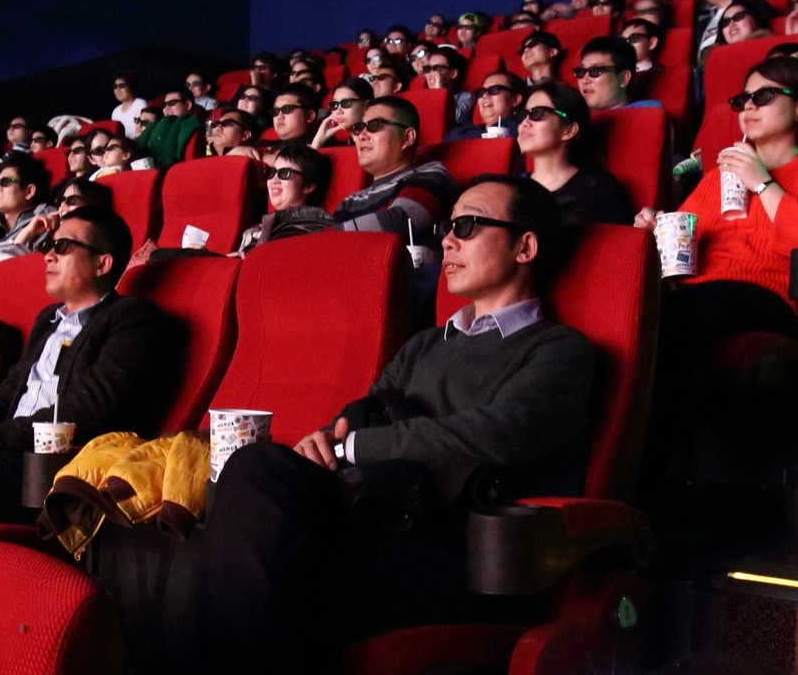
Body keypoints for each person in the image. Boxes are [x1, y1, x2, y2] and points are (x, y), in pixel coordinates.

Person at [200, 174, 596, 673]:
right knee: (256, 470)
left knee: (266, 570)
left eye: (468, 226)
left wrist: (355, 447)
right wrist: (327, 441)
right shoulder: (427, 343)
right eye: (447, 228)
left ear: (525, 247)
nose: (447, 241)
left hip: (459, 543)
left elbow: (498, 434)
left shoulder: (559, 350)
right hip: (375, 507)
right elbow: (361, 415)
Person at [634, 57, 798, 462]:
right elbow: (682, 250)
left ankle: (650, 463)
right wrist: (652, 230)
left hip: (771, 298)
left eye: (764, 96)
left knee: (683, 314)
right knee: (639, 312)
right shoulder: (717, 178)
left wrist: (762, 182)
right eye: (742, 100)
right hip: (701, 295)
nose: (748, 106)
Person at [0, 206, 177, 523]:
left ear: (102, 263)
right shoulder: (49, 320)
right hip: (5, 458)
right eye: (49, 245)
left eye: (62, 246)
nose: (48, 255)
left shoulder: (132, 318)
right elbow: (4, 400)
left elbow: (93, 409)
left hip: (46, 472)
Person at [334, 96, 455, 254]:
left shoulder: (432, 174)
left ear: (407, 138)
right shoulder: (351, 201)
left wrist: (324, 237)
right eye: (358, 128)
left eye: (374, 126)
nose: (361, 136)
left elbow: (401, 221)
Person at [518, 82, 632, 225]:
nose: (524, 123)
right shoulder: (515, 189)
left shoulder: (597, 188)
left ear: (569, 130)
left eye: (537, 113)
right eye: (524, 115)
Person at [233, 145, 335, 255]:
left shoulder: (315, 228)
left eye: (285, 173)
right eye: (272, 172)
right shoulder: (255, 231)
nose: (274, 180)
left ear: (308, 186)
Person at [574, 36, 664, 110]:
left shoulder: (647, 111)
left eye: (595, 71)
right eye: (581, 72)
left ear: (623, 78)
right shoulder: (574, 117)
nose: (585, 80)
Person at [444, 71, 525, 141]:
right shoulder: (458, 133)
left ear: (515, 99)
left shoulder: (524, 131)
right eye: (481, 92)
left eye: (494, 90)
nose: (484, 96)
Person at [136, 89, 202, 167]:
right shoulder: (156, 126)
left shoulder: (191, 124)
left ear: (188, 105)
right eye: (164, 105)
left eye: (172, 103)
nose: (166, 108)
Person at [699, 0, 774, 63]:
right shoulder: (714, 61)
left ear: (754, 21)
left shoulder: (770, 52)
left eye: (738, 16)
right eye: (726, 22)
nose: (731, 24)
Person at [311, 77, 373, 148]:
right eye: (335, 104)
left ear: (366, 106)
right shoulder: (333, 141)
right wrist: (318, 140)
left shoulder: (377, 140)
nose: (338, 111)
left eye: (346, 103)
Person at [422, 48, 475, 126]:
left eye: (437, 68)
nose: (431, 74)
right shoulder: (423, 98)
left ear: (453, 74)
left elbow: (456, 118)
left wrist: (439, 93)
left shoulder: (466, 97)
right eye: (428, 69)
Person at [111, 73, 148, 139]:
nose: (117, 89)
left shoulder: (140, 104)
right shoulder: (115, 111)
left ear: (131, 87)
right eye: (115, 86)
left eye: (122, 86)